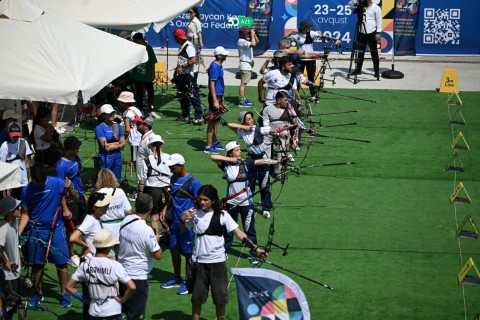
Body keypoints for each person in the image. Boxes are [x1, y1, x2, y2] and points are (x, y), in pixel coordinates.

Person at [180, 185, 267, 320]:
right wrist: (182, 219)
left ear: (213, 201)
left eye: (205, 200)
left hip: (218, 263)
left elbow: (239, 233)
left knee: (220, 298)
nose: (202, 202)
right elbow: (183, 228)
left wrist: (255, 248)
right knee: (197, 298)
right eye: (200, 199)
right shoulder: (194, 213)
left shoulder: (223, 215)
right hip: (200, 262)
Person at [18, 164, 73, 308]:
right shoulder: (26, 190)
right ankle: (38, 292)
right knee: (37, 264)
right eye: (38, 182)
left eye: (43, 181)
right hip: (35, 231)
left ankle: (64, 293)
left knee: (61, 263)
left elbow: (68, 195)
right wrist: (19, 232)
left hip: (56, 229)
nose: (40, 184)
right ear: (32, 178)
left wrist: (70, 187)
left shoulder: (57, 183)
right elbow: (25, 214)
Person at [210, 141, 280, 253]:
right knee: (228, 228)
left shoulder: (246, 162)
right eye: (236, 150)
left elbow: (262, 160)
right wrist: (232, 160)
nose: (239, 152)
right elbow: (212, 156)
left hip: (246, 202)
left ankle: (254, 252)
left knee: (249, 228)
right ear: (230, 153)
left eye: (239, 149)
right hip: (231, 201)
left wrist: (278, 161)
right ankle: (224, 251)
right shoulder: (225, 164)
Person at [67, 229, 136, 320]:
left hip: (93, 312)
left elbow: (69, 287)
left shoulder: (85, 264)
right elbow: (132, 287)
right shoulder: (115, 265)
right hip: (113, 310)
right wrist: (122, 300)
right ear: (109, 247)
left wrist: (84, 299)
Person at [160, 154, 201, 295]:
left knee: (188, 253)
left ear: (181, 166)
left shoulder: (194, 182)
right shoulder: (173, 178)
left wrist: (191, 215)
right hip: (174, 221)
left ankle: (188, 280)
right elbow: (172, 197)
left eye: (173, 167)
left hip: (187, 224)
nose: (171, 169)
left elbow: (200, 203)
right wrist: (166, 208)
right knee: (173, 249)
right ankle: (177, 277)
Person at [118, 194, 162, 320]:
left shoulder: (126, 220)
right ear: (151, 207)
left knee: (124, 311)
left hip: (122, 274)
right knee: (136, 315)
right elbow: (158, 255)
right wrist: (156, 239)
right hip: (137, 278)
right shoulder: (146, 230)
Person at [226, 112, 278, 219]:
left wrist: (281, 131)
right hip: (251, 159)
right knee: (250, 185)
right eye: (248, 119)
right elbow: (230, 125)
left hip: (263, 158)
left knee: (264, 184)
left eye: (251, 118)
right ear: (244, 121)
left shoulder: (257, 129)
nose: (251, 120)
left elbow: (272, 130)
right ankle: (248, 206)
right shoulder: (242, 132)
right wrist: (244, 127)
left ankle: (266, 208)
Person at [56, 136, 87, 266]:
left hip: (80, 197)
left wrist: (83, 194)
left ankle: (86, 249)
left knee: (86, 224)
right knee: (70, 229)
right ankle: (71, 254)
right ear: (69, 149)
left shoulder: (76, 159)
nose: (79, 150)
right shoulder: (60, 166)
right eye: (76, 148)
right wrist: (65, 208)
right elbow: (60, 189)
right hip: (70, 201)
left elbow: (79, 178)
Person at [137, 134, 171, 239]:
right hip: (167, 190)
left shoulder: (147, 160)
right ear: (161, 145)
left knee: (154, 217)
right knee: (167, 215)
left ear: (151, 146)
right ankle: (169, 235)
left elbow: (142, 180)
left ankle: (155, 238)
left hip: (152, 191)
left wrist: (140, 194)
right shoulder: (170, 158)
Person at [96, 168, 132, 258]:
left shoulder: (98, 194)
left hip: (105, 229)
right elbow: (129, 211)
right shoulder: (120, 192)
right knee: (122, 257)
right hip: (121, 228)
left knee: (110, 257)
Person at [283, 19, 324, 96]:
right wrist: (292, 31)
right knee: (298, 78)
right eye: (306, 27)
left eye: (309, 26)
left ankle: (313, 96)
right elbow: (284, 38)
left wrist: (332, 40)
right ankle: (295, 96)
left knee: (311, 77)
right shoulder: (296, 35)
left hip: (311, 59)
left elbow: (323, 36)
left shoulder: (311, 33)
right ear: (302, 27)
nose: (308, 28)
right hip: (301, 59)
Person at [117, 91, 144, 200]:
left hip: (135, 143)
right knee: (142, 165)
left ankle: (139, 192)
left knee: (138, 166)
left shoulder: (126, 114)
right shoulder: (136, 109)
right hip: (142, 140)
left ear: (124, 102)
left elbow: (127, 130)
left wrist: (123, 140)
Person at [172, 28, 203, 124]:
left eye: (176, 38)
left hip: (188, 76)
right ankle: (185, 115)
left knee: (193, 95)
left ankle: (198, 116)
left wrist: (182, 67)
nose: (176, 40)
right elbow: (181, 60)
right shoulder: (182, 45)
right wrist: (176, 72)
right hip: (182, 76)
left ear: (178, 38)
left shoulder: (189, 46)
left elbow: (193, 60)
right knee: (182, 95)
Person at [69, 192, 114, 257]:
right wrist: (87, 247)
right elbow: (73, 238)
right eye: (104, 206)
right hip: (91, 259)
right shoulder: (90, 221)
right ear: (95, 208)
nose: (107, 207)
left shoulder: (97, 218)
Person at [203, 46, 229, 154]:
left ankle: (214, 142)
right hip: (215, 97)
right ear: (218, 55)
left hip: (219, 96)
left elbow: (220, 82)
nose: (226, 56)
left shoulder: (219, 65)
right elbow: (212, 84)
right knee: (212, 121)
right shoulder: (214, 67)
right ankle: (208, 146)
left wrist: (222, 96)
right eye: (223, 54)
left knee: (216, 120)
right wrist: (215, 100)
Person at [0, 196, 22, 320]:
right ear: (9, 211)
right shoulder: (3, 229)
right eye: (16, 207)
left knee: (15, 302)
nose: (19, 208)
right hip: (8, 275)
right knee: (9, 305)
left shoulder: (15, 223)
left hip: (16, 272)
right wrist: (6, 261)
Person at [348, 0, 382, 78]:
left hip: (372, 31)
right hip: (361, 30)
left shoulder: (376, 8)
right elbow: (350, 4)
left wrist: (378, 33)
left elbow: (379, 21)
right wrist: (356, 1)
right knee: (360, 51)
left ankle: (376, 71)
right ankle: (358, 70)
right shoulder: (361, 5)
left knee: (374, 51)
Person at [0, 122, 32, 199]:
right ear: (8, 134)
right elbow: (2, 166)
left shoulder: (24, 143)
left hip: (23, 180)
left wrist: (30, 178)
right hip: (12, 182)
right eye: (13, 136)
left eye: (17, 135)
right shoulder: (4, 146)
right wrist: (5, 185)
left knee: (24, 202)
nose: (15, 138)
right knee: (14, 205)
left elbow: (27, 163)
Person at [95, 104, 126, 181]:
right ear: (103, 115)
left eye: (113, 112)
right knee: (105, 179)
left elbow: (123, 142)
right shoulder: (99, 128)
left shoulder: (117, 126)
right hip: (106, 157)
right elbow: (105, 146)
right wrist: (118, 144)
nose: (112, 114)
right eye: (109, 113)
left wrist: (115, 145)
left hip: (117, 156)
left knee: (117, 179)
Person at [131, 32, 157, 115]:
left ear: (141, 40)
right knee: (138, 93)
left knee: (150, 92)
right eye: (134, 41)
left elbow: (153, 61)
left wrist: (153, 72)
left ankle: (151, 109)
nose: (135, 43)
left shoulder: (148, 48)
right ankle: (140, 108)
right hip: (137, 75)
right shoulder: (133, 48)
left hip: (147, 75)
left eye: (137, 41)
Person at [237, 27, 258, 107]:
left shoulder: (246, 41)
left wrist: (254, 34)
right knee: (243, 84)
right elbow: (253, 44)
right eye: (248, 32)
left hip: (247, 65)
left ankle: (243, 99)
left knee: (244, 83)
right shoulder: (241, 41)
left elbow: (256, 42)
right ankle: (241, 102)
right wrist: (252, 35)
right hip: (245, 66)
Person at [187, 7, 207, 80]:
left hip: (194, 39)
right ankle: (202, 65)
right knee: (193, 54)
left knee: (195, 54)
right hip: (189, 39)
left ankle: (205, 66)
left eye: (191, 12)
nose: (189, 13)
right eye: (189, 12)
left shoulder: (196, 21)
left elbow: (199, 32)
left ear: (195, 13)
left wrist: (201, 42)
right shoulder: (191, 20)